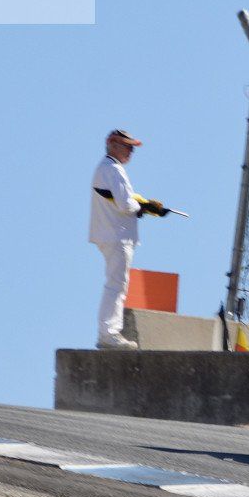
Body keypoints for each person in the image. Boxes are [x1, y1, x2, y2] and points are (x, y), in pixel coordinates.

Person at [88, 129, 170, 350]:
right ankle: (109, 333)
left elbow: (122, 199)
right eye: (127, 146)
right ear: (112, 144)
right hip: (117, 235)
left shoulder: (108, 169)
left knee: (116, 283)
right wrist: (143, 207)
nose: (131, 151)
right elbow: (126, 204)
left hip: (112, 234)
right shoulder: (113, 169)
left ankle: (109, 332)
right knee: (116, 284)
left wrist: (144, 206)